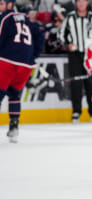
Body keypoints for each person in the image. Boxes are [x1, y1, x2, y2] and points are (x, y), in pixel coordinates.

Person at [0, 0, 44, 143]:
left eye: (1, 3)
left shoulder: (4, 18)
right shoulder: (27, 19)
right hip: (26, 66)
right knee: (14, 95)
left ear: (10, 5)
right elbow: (39, 36)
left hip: (7, 62)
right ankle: (14, 127)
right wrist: (33, 57)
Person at [59, 0, 92, 123]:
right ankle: (76, 111)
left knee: (90, 83)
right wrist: (68, 44)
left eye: (83, 1)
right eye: (79, 2)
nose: (81, 4)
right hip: (75, 55)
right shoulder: (70, 17)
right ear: (76, 3)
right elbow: (61, 34)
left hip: (90, 54)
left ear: (87, 3)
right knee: (76, 83)